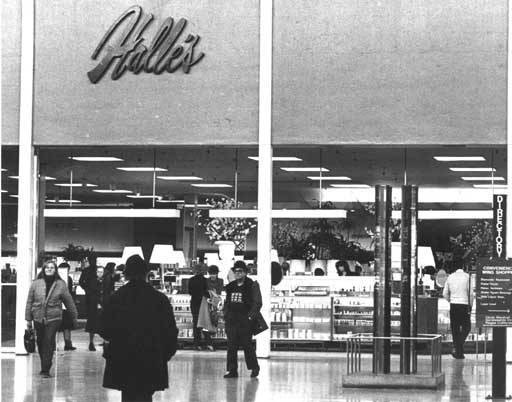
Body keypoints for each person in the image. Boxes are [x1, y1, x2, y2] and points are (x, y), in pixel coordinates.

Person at [99, 255, 178, 402]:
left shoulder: (117, 297)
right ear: (146, 273)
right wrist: (164, 355)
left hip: (123, 356)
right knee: (145, 394)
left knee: (128, 394)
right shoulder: (159, 299)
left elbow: (104, 328)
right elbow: (170, 331)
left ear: (126, 273)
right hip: (151, 356)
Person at [25, 260, 78, 377]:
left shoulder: (61, 284)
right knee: (40, 341)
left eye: (52, 267)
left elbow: (69, 302)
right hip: (38, 317)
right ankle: (44, 363)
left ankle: (45, 369)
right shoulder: (36, 283)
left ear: (55, 270)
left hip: (54, 318)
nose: (49, 269)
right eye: (47, 267)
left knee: (48, 341)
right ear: (43, 270)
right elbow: (29, 301)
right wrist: (28, 318)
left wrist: (75, 317)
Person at [223, 260, 261, 378]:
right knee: (231, 346)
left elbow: (257, 302)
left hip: (245, 320)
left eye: (240, 271)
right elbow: (227, 302)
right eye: (236, 271)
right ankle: (232, 370)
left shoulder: (252, 284)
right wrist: (226, 315)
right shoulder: (230, 286)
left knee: (247, 345)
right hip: (232, 320)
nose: (238, 273)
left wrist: (250, 317)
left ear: (245, 272)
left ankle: (254, 367)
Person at [443, 260, 474, 359]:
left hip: (454, 305)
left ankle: (458, 351)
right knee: (467, 327)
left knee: (455, 329)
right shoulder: (467, 277)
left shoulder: (450, 277)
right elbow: (471, 294)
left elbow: (444, 293)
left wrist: (451, 300)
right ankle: (458, 349)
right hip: (464, 305)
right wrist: (471, 305)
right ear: (464, 267)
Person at [79, 255, 103, 351]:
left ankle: (93, 341)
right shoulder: (89, 270)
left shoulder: (90, 270)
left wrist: (87, 289)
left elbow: (81, 282)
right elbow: (81, 282)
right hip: (93, 297)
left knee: (93, 318)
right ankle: (92, 341)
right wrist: (88, 290)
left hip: (94, 296)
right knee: (93, 318)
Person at [188, 263, 209, 350]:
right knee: (204, 322)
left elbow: (190, 292)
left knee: (196, 323)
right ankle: (207, 342)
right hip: (203, 303)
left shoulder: (191, 280)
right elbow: (207, 292)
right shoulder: (205, 280)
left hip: (194, 303)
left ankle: (197, 344)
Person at [57, 262, 77, 351]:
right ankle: (68, 344)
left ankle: (53, 345)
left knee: (56, 326)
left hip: (58, 305)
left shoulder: (55, 279)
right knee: (67, 326)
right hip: (65, 305)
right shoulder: (68, 279)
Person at [205, 265, 224, 351]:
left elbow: (219, 291)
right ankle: (210, 343)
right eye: (211, 274)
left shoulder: (220, 281)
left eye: (214, 274)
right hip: (208, 304)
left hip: (217, 304)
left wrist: (212, 293)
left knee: (215, 322)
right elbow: (206, 291)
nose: (212, 275)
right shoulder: (206, 281)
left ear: (217, 274)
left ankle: (213, 341)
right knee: (207, 323)